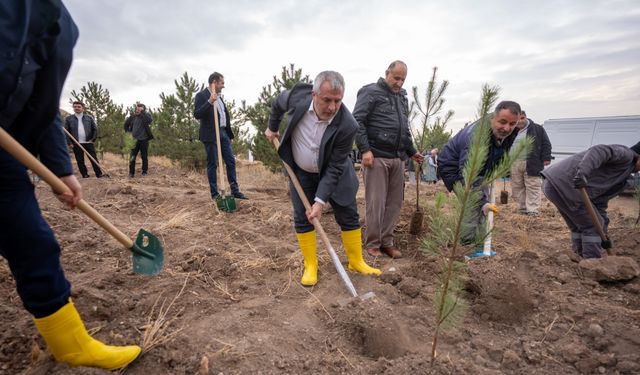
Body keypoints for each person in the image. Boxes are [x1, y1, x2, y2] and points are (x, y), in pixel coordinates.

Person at [0, 2, 140, 370]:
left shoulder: (58, 23)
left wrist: (62, 170)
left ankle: (72, 345)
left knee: (34, 242)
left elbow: (43, 106)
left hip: (5, 155)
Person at [264, 71, 380, 286]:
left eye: (338, 101)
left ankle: (356, 261)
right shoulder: (297, 96)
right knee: (302, 216)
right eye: (327, 100)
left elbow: (335, 167)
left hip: (335, 172)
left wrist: (320, 201)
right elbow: (278, 103)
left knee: (348, 212)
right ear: (313, 94)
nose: (332, 107)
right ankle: (311, 265)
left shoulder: (348, 125)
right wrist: (272, 127)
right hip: (301, 172)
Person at [354, 60, 423, 258]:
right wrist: (365, 149)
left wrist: (412, 151)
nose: (399, 83)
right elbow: (357, 121)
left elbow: (404, 129)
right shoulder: (370, 92)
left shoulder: (402, 97)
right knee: (376, 202)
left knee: (394, 202)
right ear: (387, 73)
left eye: (403, 79)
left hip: (398, 158)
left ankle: (387, 241)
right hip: (376, 157)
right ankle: (372, 242)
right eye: (396, 78)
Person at [438, 101, 522, 242]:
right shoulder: (476, 137)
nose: (507, 128)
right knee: (472, 204)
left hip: (481, 169)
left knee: (482, 203)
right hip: (453, 167)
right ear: (492, 118)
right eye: (502, 122)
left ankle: (478, 240)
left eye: (512, 124)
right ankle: (465, 244)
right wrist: (482, 202)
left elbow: (502, 152)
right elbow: (468, 175)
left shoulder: (509, 132)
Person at [541, 142, 640, 259]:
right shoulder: (626, 155)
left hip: (556, 184)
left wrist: (604, 233)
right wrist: (583, 173)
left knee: (581, 226)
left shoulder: (624, 177)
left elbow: (600, 203)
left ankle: (579, 258)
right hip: (566, 184)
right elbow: (598, 150)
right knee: (592, 227)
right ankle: (592, 264)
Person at [194, 72, 247, 200]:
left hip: (223, 133)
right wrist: (209, 102)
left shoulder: (219, 97)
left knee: (230, 161)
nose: (223, 86)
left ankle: (235, 191)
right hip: (210, 134)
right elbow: (197, 114)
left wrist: (229, 135)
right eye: (221, 83)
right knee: (212, 163)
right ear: (214, 82)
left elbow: (224, 116)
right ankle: (215, 194)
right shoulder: (201, 96)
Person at [510, 111, 551, 216]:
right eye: (517, 119)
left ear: (526, 117)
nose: (520, 121)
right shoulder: (511, 130)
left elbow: (546, 143)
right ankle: (522, 208)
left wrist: (546, 158)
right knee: (517, 186)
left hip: (532, 161)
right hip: (514, 162)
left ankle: (533, 210)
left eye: (522, 118)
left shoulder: (537, 129)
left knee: (533, 185)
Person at [64, 101, 102, 178]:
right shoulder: (69, 119)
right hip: (76, 143)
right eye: (75, 107)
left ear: (83, 108)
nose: (76, 108)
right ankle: (84, 174)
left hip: (88, 142)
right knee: (80, 160)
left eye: (78, 107)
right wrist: (69, 143)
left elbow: (95, 129)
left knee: (93, 158)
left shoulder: (89, 118)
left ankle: (99, 174)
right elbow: (66, 132)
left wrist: (93, 139)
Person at [123, 103, 153, 177]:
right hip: (134, 140)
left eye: (140, 108)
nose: (138, 109)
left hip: (144, 140)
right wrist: (128, 134)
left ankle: (144, 172)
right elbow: (126, 124)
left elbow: (150, 121)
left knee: (144, 156)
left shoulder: (146, 116)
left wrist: (143, 112)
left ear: (143, 109)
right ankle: (131, 173)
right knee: (132, 157)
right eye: (137, 108)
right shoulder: (133, 117)